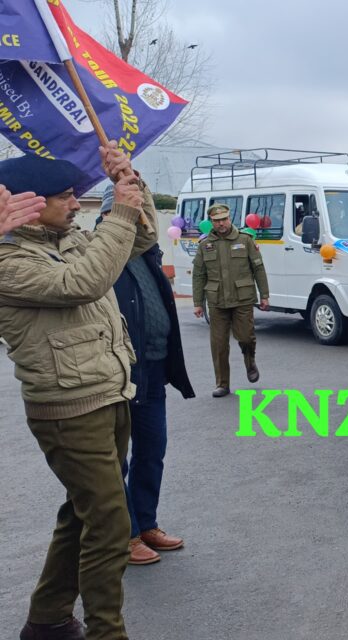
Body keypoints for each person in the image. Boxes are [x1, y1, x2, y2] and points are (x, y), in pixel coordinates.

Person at [0, 148, 155, 640]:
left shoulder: (68, 238)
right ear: (29, 203)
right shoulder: (8, 260)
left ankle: (47, 619)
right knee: (109, 524)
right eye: (64, 197)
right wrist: (121, 213)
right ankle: (106, 634)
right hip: (68, 409)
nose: (75, 205)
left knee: (82, 511)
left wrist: (130, 183)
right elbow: (82, 283)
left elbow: (141, 237)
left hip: (107, 391)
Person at [98, 186, 197, 566]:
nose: (140, 218)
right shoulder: (101, 256)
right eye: (132, 211)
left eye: (142, 212)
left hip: (153, 369)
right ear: (110, 216)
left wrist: (135, 184)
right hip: (121, 374)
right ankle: (127, 535)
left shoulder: (145, 253)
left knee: (152, 451)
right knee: (115, 460)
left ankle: (147, 522)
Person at [192, 204, 270, 398]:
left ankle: (250, 362)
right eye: (217, 220)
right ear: (211, 222)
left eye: (224, 219)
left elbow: (258, 268)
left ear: (229, 218)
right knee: (218, 344)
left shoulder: (245, 240)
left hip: (242, 298)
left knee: (245, 337)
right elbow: (199, 274)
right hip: (216, 301)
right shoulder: (204, 245)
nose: (221, 223)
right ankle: (222, 384)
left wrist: (265, 295)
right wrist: (197, 302)